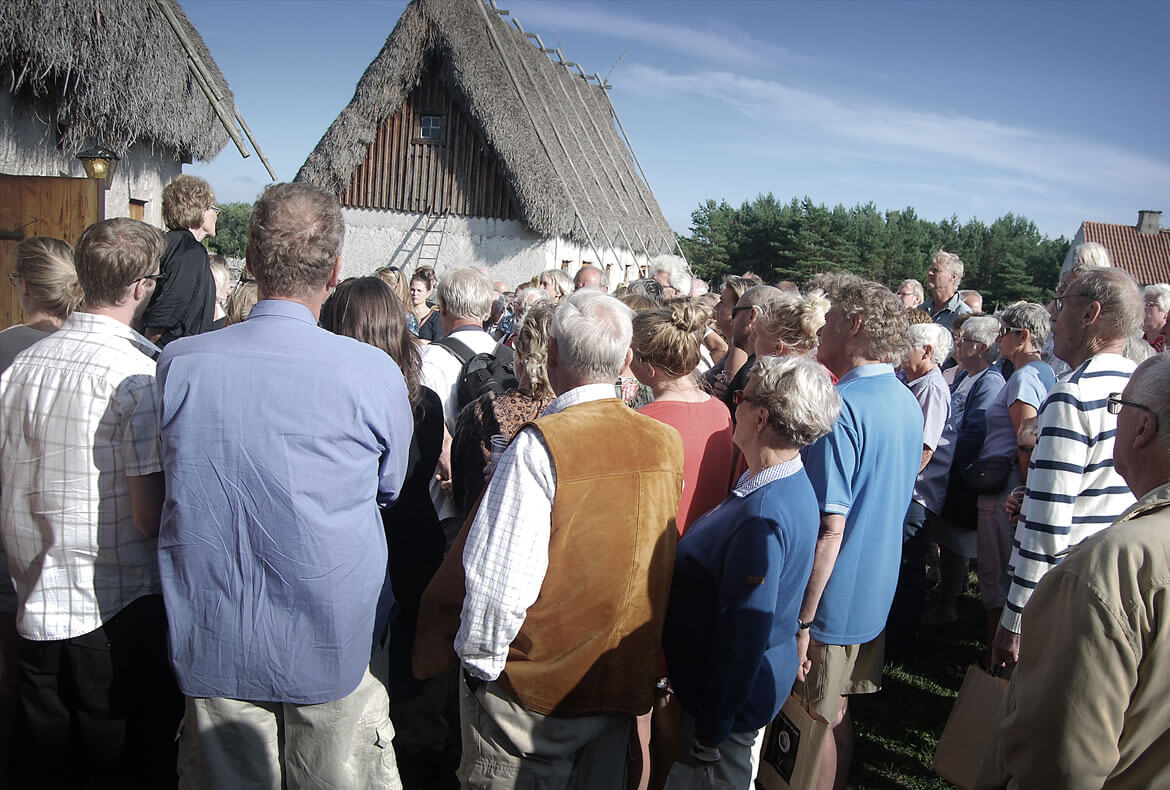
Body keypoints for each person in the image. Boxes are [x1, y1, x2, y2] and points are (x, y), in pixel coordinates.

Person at [156, 183, 413, 788]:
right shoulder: (372, 372)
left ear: (249, 259)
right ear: (335, 269)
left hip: (216, 628)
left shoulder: (180, 363)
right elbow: (392, 486)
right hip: (329, 636)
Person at [416, 289, 685, 787]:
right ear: (626, 360)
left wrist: (479, 672)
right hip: (616, 682)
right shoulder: (665, 442)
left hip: (535, 700)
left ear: (554, 355)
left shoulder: (541, 444)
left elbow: (498, 581)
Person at [0, 218, 181, 788]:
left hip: (32, 601)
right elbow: (149, 516)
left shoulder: (20, 366)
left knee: (45, 768)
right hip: (110, 609)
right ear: (140, 287)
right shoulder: (137, 376)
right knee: (123, 767)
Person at [976, 354, 1170, 789]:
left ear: (1143, 429)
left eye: (1120, 407)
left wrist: (1013, 619)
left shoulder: (1113, 566)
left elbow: (1063, 762)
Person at [662, 356, 840, 788]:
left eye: (740, 399)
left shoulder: (762, 513)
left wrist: (713, 727)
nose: (733, 406)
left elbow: (743, 630)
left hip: (725, 706)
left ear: (761, 417)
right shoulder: (782, 483)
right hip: (744, 691)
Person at [796, 279, 923, 790]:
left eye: (828, 321)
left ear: (854, 327)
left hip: (833, 596)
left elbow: (831, 526)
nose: (820, 329)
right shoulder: (905, 399)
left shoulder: (841, 406)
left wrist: (803, 616)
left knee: (813, 723)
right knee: (837, 710)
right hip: (874, 586)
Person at [319, 277, 445, 779]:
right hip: (413, 536)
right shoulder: (425, 400)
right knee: (406, 666)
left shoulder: (343, 400)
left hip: (374, 539)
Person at [992, 269, 1143, 669]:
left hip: (1062, 592)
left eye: (1061, 305)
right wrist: (1038, 490)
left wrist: (1016, 618)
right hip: (1113, 583)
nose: (1053, 318)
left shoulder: (1072, 394)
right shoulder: (1139, 385)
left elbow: (1047, 525)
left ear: (1090, 313)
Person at [0, 236, 83, 764]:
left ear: (24, 288)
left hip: (14, 550)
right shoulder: (96, 351)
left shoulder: (6, 349)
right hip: (79, 553)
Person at [973, 302, 1055, 661]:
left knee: (996, 574)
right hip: (1009, 487)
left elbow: (1027, 440)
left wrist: (1025, 493)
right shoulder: (1041, 373)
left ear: (1023, 336)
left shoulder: (1024, 378)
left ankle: (995, 665)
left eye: (1003, 331)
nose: (997, 338)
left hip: (1003, 491)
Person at [922, 315, 1005, 626]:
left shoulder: (989, 381)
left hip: (962, 475)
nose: (958, 344)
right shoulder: (965, 376)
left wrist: (944, 450)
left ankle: (947, 606)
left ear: (981, 347)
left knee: (956, 545)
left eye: (964, 340)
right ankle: (943, 595)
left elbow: (973, 433)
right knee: (947, 541)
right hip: (950, 472)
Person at [451, 301, 556, 517]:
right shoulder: (575, 413)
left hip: (485, 527)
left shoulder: (482, 410)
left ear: (519, 350)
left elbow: (461, 490)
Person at [419, 268, 500, 540]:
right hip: (491, 489)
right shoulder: (507, 356)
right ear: (487, 310)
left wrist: (459, 479)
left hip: (445, 497)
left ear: (442, 307)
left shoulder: (429, 358)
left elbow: (434, 431)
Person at [143, 174, 217, 346]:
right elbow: (167, 311)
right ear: (202, 210)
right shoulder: (189, 250)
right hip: (174, 352)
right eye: (215, 209)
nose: (217, 215)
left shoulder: (169, 242)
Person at [922, 249, 972, 329]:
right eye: (930, 270)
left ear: (953, 277)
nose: (930, 273)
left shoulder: (962, 314)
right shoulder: (922, 309)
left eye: (936, 270)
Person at [408, 267, 444, 341]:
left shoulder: (436, 318)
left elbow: (439, 342)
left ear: (428, 292)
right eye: (412, 290)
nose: (415, 293)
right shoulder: (403, 314)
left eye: (419, 290)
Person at [1142, 283, 1169, 352]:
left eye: (1149, 305)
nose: (1142, 309)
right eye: (1142, 304)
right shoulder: (1136, 341)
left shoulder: (1167, 346)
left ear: (1166, 311)